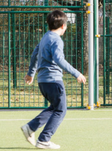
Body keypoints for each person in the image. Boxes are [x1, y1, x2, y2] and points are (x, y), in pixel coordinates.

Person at [21, 10, 86, 149]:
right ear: (63, 26)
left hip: (43, 81)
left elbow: (34, 54)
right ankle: (44, 139)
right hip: (53, 80)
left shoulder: (45, 37)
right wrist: (77, 73)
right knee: (61, 110)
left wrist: (31, 73)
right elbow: (59, 59)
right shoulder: (57, 40)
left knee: (54, 107)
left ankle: (30, 127)